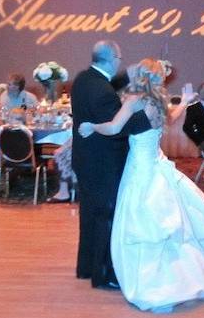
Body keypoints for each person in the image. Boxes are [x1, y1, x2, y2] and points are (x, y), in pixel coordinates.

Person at [78, 58, 204, 312]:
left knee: (144, 222)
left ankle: (152, 280)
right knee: (163, 223)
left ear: (141, 75)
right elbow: (172, 117)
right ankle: (180, 274)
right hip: (155, 162)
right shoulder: (158, 99)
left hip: (140, 166)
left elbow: (114, 126)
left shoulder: (136, 98)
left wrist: (91, 127)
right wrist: (184, 100)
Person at [71, 40, 151, 289]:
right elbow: (118, 128)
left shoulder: (83, 79)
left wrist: (127, 75)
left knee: (89, 215)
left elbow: (105, 85)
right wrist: (150, 117)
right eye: (120, 58)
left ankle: (86, 267)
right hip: (104, 162)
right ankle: (103, 273)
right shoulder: (103, 92)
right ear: (112, 59)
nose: (121, 62)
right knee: (105, 215)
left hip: (85, 159)